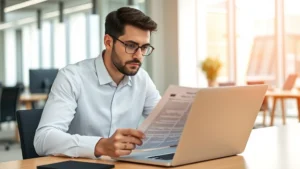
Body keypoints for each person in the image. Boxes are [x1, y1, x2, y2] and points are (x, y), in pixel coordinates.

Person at [34, 7, 161, 159]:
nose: (139, 56)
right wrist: (100, 145)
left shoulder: (142, 79)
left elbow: (165, 124)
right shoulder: (72, 77)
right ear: (108, 42)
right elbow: (43, 139)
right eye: (131, 46)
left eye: (144, 47)